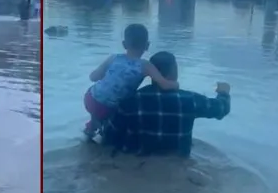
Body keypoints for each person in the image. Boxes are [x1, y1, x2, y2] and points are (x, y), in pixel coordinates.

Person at [101, 51, 231, 157]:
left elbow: (109, 138)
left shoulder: (130, 101)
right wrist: (224, 92)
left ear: (150, 73)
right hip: (177, 166)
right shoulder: (190, 100)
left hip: (137, 166)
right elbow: (221, 109)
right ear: (174, 72)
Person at [84, 24, 180, 137]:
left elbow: (93, 77)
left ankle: (92, 126)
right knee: (114, 114)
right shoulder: (145, 66)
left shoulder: (114, 58)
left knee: (101, 100)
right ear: (147, 45)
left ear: (124, 44)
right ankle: (102, 131)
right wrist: (175, 84)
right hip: (108, 108)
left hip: (89, 98)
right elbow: (164, 84)